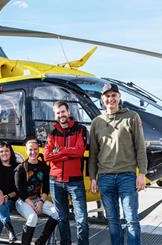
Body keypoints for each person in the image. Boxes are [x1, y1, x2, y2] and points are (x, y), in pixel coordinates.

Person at [89, 83, 148, 245]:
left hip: (127, 177)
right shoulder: (97, 122)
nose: (111, 99)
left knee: (132, 220)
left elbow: (140, 147)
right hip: (105, 178)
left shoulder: (132, 117)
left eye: (114, 95)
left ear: (119, 97)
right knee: (113, 221)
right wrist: (92, 178)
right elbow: (93, 154)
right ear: (102, 99)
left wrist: (142, 173)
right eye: (107, 96)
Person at [44, 101, 89, 245]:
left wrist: (61, 151)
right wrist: (68, 153)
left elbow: (80, 150)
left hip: (75, 181)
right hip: (55, 181)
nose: (61, 115)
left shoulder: (80, 129)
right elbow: (47, 156)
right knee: (62, 218)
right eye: (58, 113)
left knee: (81, 219)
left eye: (63, 112)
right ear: (55, 115)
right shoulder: (52, 132)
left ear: (68, 113)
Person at [15, 139, 59, 245]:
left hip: (38, 199)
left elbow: (46, 188)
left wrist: (40, 202)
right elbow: (19, 190)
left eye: (35, 149)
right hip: (23, 201)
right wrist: (31, 204)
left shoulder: (43, 167)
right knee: (32, 217)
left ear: (39, 150)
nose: (33, 152)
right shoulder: (20, 168)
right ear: (26, 151)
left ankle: (40, 242)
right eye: (30, 150)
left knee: (57, 213)